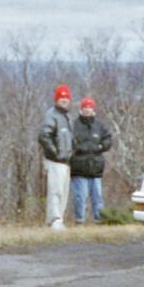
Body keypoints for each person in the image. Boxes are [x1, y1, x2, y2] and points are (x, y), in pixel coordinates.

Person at [70, 97, 112, 223]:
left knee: (97, 197)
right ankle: (79, 220)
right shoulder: (74, 124)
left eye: (89, 107)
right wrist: (77, 148)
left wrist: (101, 146)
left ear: (93, 109)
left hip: (96, 167)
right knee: (80, 197)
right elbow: (69, 141)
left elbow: (108, 139)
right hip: (79, 167)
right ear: (81, 109)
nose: (87, 109)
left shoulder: (99, 125)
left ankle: (99, 220)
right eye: (85, 107)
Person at [38, 84, 74, 230]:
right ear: (56, 100)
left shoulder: (68, 117)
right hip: (55, 161)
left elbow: (71, 138)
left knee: (64, 191)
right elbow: (44, 136)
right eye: (61, 98)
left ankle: (59, 219)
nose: (64, 101)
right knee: (56, 190)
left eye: (66, 98)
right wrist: (54, 152)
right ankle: (54, 219)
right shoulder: (51, 115)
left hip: (66, 161)